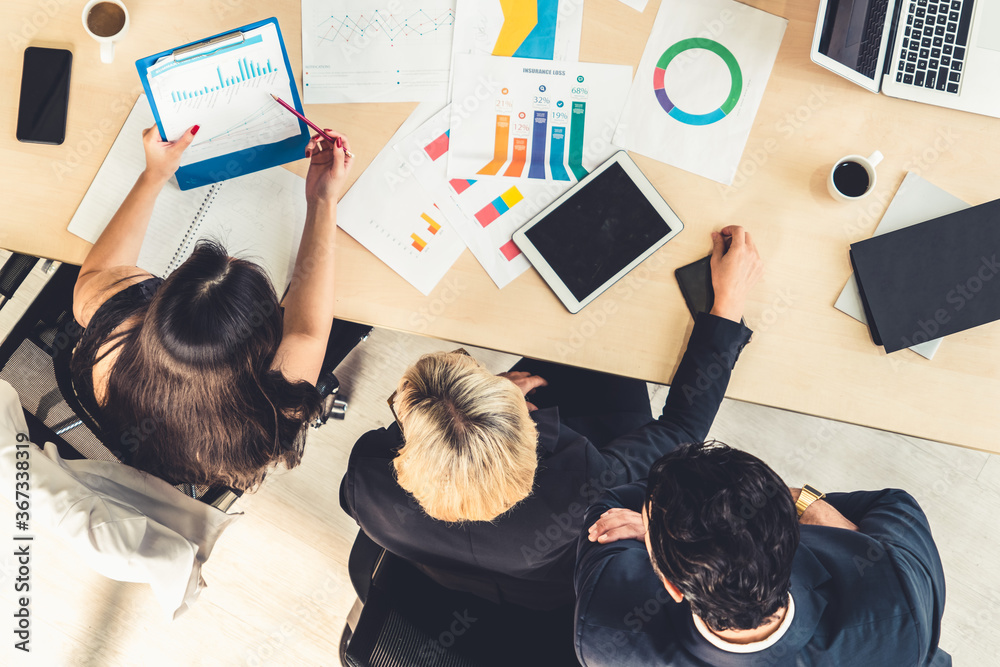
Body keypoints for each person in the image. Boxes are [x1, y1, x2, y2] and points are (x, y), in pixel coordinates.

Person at [340, 226, 762, 610]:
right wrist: (726, 306)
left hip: (483, 574)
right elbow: (682, 429)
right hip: (548, 577)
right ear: (531, 434)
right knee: (608, 354)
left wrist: (474, 410)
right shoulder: (586, 484)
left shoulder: (365, 482)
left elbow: (405, 438)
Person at [69, 123, 353, 491]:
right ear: (266, 339)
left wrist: (154, 174)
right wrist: (322, 201)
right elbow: (308, 330)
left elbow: (98, 273)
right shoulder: (277, 409)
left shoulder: (112, 347)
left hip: (149, 449)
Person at [575, 441, 951, 666]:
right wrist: (798, 502)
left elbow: (610, 502)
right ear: (795, 535)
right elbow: (895, 507)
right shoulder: (899, 602)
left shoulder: (603, 625)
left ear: (674, 587)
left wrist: (671, 524)